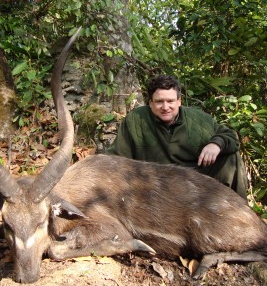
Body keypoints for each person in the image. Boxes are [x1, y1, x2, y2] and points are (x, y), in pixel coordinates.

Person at [106, 75, 248, 199]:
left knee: (231, 156)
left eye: (170, 101)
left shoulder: (199, 119)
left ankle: (240, 211)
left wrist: (215, 144)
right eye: (159, 101)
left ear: (179, 101)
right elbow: (116, 156)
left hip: (194, 177)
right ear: (150, 103)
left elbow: (230, 136)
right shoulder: (135, 120)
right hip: (152, 181)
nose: (165, 107)